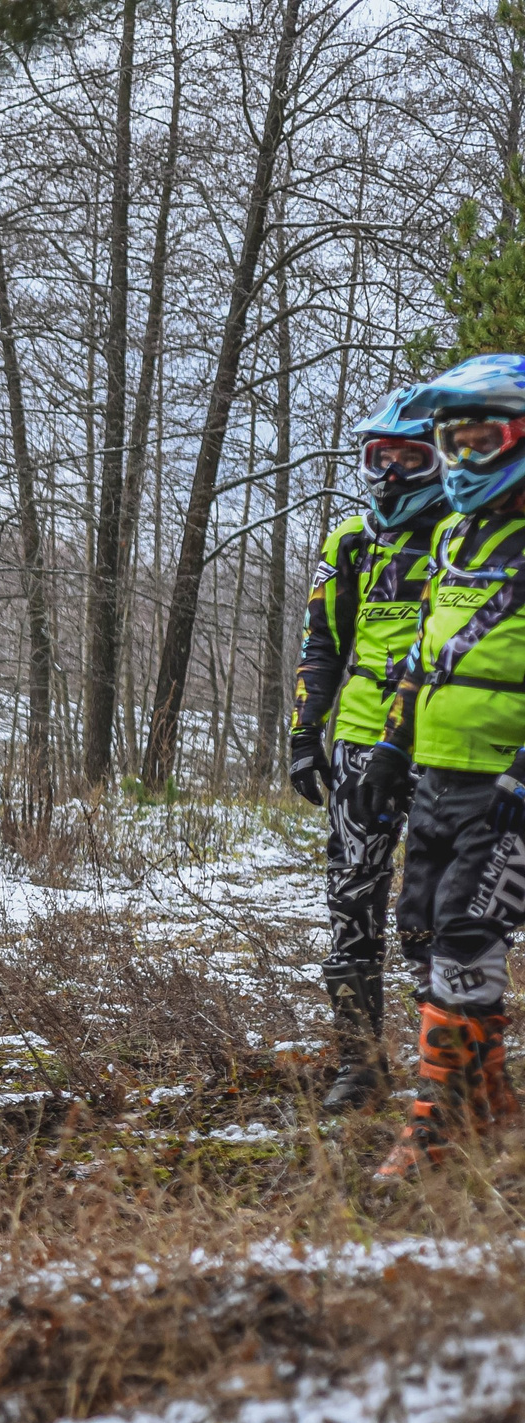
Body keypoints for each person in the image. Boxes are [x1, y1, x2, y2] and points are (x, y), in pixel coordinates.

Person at [358, 354, 525, 1179]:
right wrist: (392, 747)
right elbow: (423, 657)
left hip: (507, 785)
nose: (463, 456)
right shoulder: (455, 536)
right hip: (436, 772)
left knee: (465, 930)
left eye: (480, 440)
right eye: (452, 441)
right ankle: (492, 1107)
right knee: (423, 932)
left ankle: (438, 1122)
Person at [289, 389, 452, 1115]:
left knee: (437, 903)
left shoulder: (463, 537)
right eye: (379, 457)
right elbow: (321, 640)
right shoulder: (350, 542)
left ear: (437, 461)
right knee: (352, 897)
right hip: (358, 740)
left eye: (407, 458)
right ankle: (359, 1061)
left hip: (440, 741)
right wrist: (304, 732)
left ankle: (443, 1061)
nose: (389, 473)